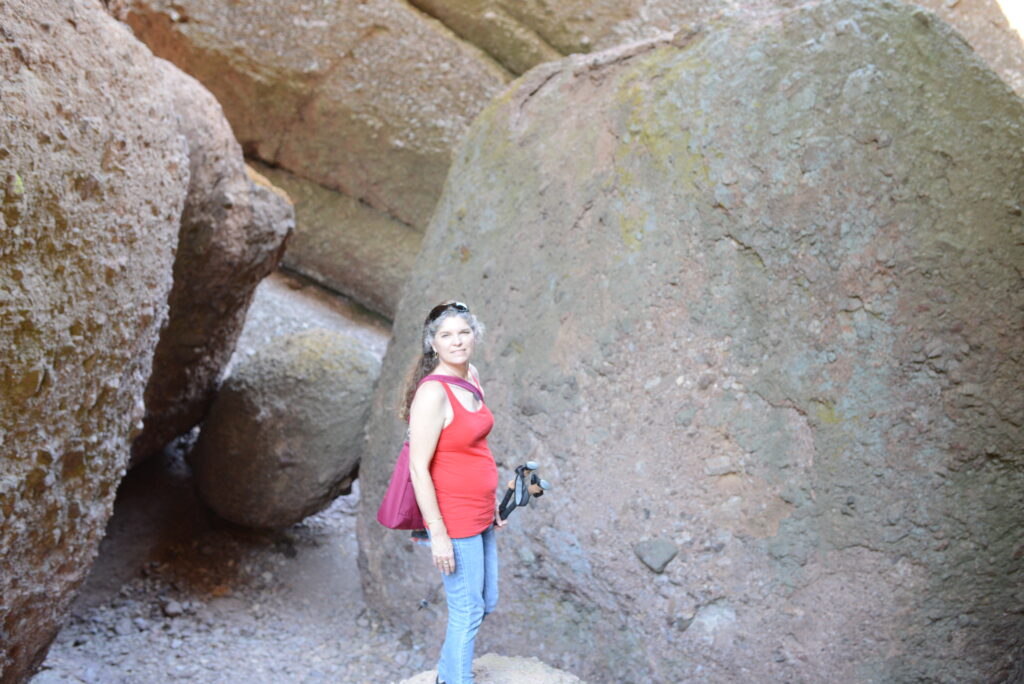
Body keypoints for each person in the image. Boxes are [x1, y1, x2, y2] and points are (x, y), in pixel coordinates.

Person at [405, 300, 504, 684]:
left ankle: (446, 676)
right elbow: (418, 467)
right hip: (454, 519)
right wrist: (438, 535)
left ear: (474, 335)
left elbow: (474, 443)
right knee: (467, 610)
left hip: (480, 512)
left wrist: (490, 500)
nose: (457, 341)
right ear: (433, 344)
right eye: (446, 335)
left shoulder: (472, 376)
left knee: (486, 602)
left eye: (463, 332)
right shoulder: (433, 394)